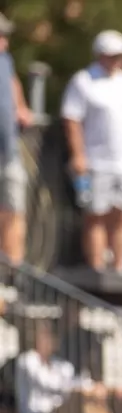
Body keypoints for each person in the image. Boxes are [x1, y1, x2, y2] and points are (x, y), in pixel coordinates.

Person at [61, 31, 122, 274]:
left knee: (120, 217)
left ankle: (120, 269)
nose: (118, 60)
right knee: (95, 216)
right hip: (96, 162)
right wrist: (78, 154)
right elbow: (72, 119)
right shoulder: (83, 81)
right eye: (113, 55)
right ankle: (96, 268)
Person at [0, 14, 35, 264]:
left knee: (14, 208)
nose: (4, 41)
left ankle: (13, 269)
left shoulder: (5, 60)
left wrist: (21, 106)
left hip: (8, 150)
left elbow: (12, 82)